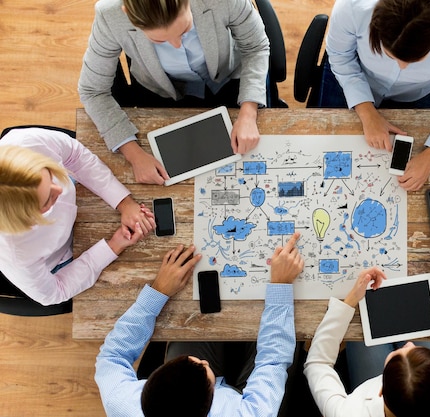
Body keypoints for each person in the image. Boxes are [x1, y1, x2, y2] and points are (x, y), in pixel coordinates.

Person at [95, 232, 304, 417]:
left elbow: (112, 356)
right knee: (288, 343)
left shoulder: (122, 403)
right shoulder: (251, 413)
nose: (202, 361)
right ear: (210, 399)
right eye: (203, 367)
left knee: (194, 322)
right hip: (241, 401)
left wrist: (158, 290)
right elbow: (273, 361)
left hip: (191, 394)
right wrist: (281, 285)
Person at [78, 0, 270, 185]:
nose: (177, 45)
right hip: (161, 92)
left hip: (227, 80)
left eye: (185, 31)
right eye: (159, 40)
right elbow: (92, 91)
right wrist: (134, 155)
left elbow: (255, 47)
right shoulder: (109, 15)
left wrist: (248, 113)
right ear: (128, 15)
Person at [323, 0, 430, 191]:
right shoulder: (352, 6)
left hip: (427, 89)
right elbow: (340, 56)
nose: (402, 67)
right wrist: (366, 111)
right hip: (356, 74)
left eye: (415, 60)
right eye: (390, 55)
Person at [0, 127, 154, 306]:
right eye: (47, 200)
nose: (60, 189)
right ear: (25, 219)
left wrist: (124, 203)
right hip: (61, 258)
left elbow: (75, 155)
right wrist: (113, 246)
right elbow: (55, 292)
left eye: (49, 176)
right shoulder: (16, 253)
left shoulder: (24, 142)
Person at [304, 267, 430, 417]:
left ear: (380, 390)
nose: (409, 344)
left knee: (363, 324)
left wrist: (349, 301)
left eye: (396, 355)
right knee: (423, 318)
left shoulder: (349, 412)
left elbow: (317, 363)